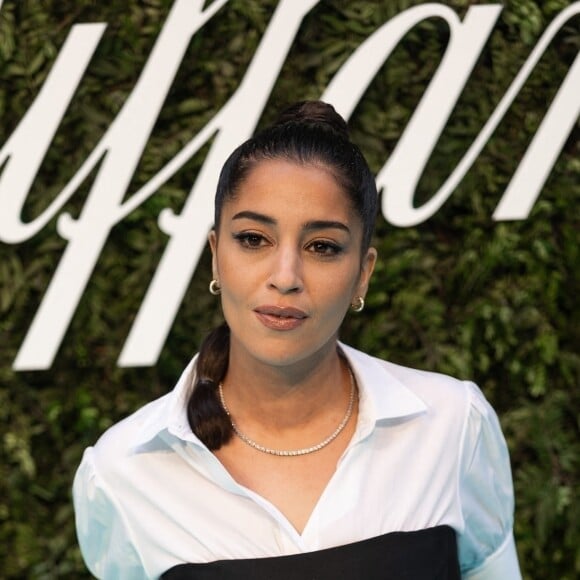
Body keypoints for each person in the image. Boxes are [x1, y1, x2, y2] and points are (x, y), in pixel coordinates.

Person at [73, 101, 521, 579]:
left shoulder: (451, 424)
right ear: (215, 256)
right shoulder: (125, 469)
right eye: (253, 239)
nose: (285, 277)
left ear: (362, 275)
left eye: (321, 247)